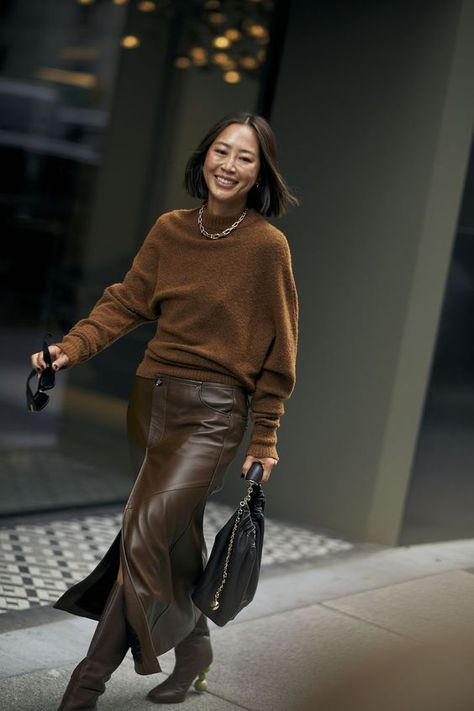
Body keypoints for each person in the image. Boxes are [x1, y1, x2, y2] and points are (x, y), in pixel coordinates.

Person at [30, 111, 299, 709]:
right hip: (150, 404)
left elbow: (281, 351)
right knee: (172, 545)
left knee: (145, 535)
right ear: (204, 156)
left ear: (260, 173)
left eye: (245, 157)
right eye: (221, 152)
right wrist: (69, 348)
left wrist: (265, 437)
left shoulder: (267, 247)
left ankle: (85, 687)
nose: (229, 165)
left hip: (215, 416)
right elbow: (126, 301)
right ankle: (196, 653)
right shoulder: (170, 229)